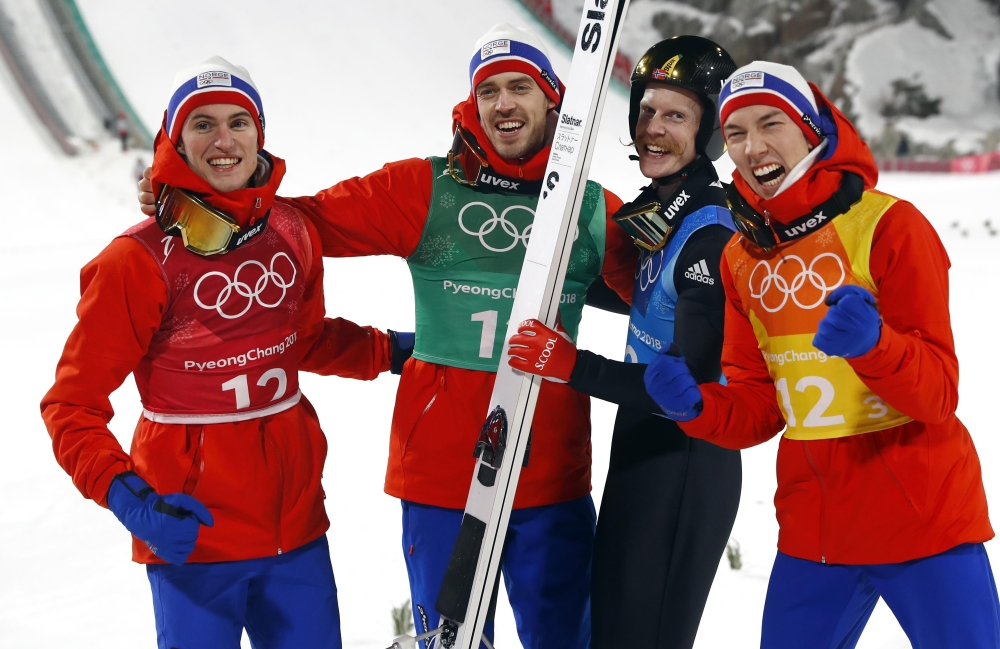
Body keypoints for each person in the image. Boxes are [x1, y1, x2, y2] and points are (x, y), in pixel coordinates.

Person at [139, 24, 636, 649]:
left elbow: (661, 296)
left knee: (565, 637)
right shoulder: (426, 189)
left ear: (552, 101)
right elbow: (300, 221)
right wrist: (192, 199)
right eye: (489, 90)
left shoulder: (591, 209)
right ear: (473, 104)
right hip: (441, 473)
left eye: (520, 86)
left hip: (552, 471)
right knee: (449, 641)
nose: (503, 103)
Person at [42, 56, 411, 649]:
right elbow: (70, 404)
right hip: (193, 532)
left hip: (296, 528)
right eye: (203, 123)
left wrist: (392, 351)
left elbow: (304, 339)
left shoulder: (292, 231)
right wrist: (129, 498)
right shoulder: (136, 261)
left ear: (260, 135)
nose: (224, 139)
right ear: (173, 139)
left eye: (240, 122)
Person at [644, 60, 999, 648]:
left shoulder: (892, 227)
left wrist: (875, 348)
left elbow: (937, 394)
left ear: (812, 130)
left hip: (925, 521)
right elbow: (762, 407)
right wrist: (698, 408)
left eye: (770, 124)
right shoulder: (740, 258)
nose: (753, 147)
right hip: (818, 533)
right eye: (735, 133)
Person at [506, 36, 742, 649]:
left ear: (710, 129)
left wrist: (571, 366)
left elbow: (687, 387)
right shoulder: (663, 213)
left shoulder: (709, 236)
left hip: (686, 455)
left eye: (676, 115)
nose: (652, 129)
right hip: (643, 442)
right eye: (645, 111)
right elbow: (644, 299)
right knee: (615, 630)